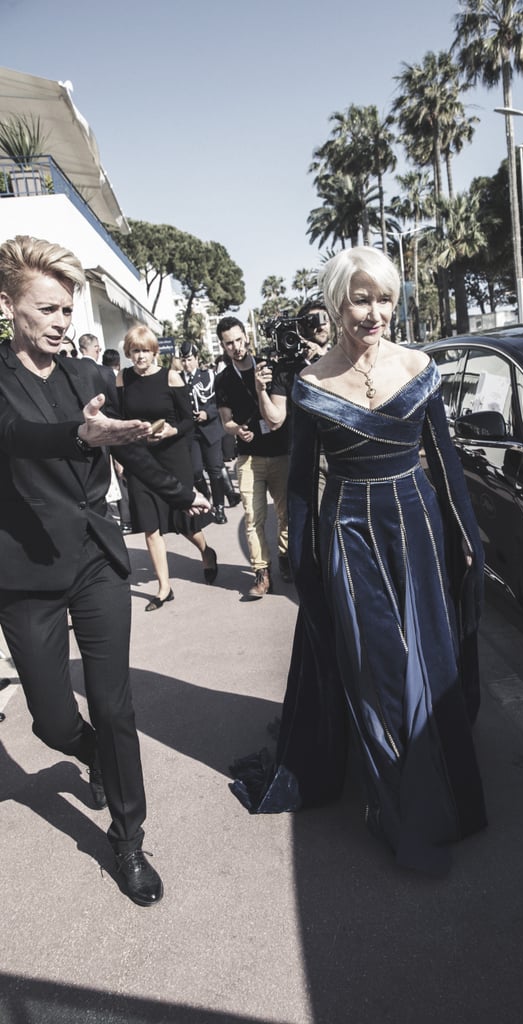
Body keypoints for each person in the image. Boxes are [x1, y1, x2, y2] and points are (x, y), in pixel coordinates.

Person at [230, 247, 487, 875]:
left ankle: (442, 788)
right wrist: (300, 556)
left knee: (428, 658)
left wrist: (469, 541)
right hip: (348, 532)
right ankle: (399, 807)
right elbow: (298, 482)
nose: (375, 313)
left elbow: (446, 464)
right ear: (337, 301)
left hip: (418, 525)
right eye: (361, 299)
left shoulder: (419, 367)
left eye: (386, 299)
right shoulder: (312, 384)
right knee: (375, 666)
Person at [0, 234, 210, 905]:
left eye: (67, 309)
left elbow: (128, 451)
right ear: (8, 306)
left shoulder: (89, 377)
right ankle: (83, 751)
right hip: (24, 569)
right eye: (47, 308)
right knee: (52, 719)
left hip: (95, 558)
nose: (62, 321)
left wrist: (185, 496)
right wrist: (79, 435)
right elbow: (14, 437)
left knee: (115, 705)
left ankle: (128, 839)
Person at [117, 326, 218, 609]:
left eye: (145, 351)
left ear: (154, 352)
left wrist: (172, 431)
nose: (140, 356)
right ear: (128, 352)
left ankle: (206, 551)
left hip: (173, 457)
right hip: (140, 458)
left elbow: (188, 420)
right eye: (135, 351)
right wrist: (120, 458)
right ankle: (164, 588)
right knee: (150, 526)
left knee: (182, 521)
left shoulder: (170, 377)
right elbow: (120, 421)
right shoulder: (122, 379)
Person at [215, 316, 289, 598]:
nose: (235, 347)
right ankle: (262, 572)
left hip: (280, 452)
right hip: (248, 458)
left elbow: (279, 414)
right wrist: (236, 430)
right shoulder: (222, 380)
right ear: (223, 346)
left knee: (285, 514)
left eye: (237, 339)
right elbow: (225, 421)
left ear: (246, 337)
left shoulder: (270, 369)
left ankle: (285, 559)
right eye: (228, 343)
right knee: (253, 516)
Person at [179, 342, 239, 524]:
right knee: (196, 471)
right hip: (191, 432)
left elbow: (218, 401)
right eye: (183, 360)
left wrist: (207, 413)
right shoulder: (178, 378)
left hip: (210, 430)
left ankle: (219, 508)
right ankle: (206, 497)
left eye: (189, 359)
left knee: (215, 470)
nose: (186, 364)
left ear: (196, 359)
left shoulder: (209, 376)